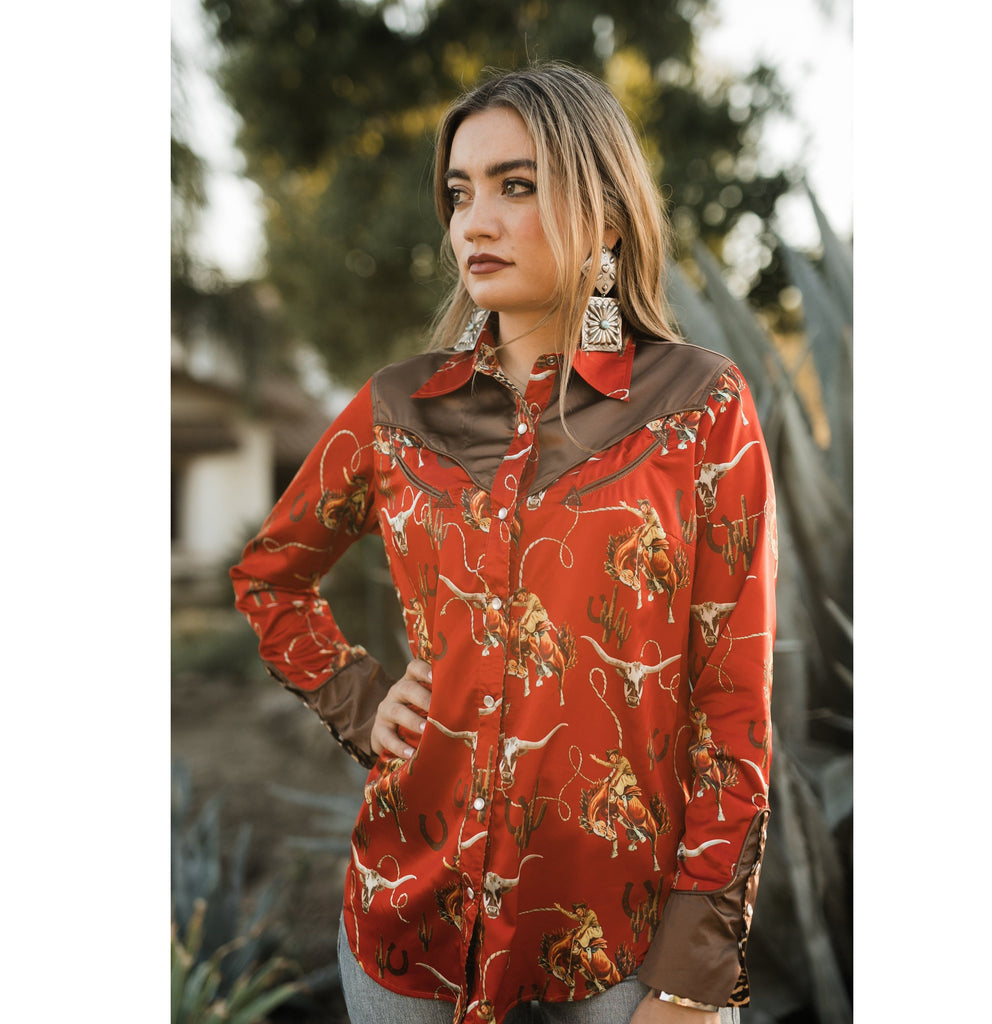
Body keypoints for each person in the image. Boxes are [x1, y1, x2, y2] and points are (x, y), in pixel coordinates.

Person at [230, 61, 777, 1024]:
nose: (473, 223)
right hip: (411, 929)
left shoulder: (701, 408)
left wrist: (693, 977)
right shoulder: (399, 410)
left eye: (515, 186)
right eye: (459, 193)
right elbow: (271, 576)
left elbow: (732, 705)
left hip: (625, 945)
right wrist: (358, 697)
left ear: (608, 219)